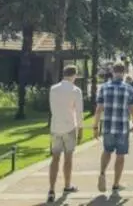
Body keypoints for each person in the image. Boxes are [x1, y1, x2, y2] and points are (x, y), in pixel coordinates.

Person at [93, 62, 133, 193]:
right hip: (122, 127)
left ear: (113, 72)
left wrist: (95, 127)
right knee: (120, 155)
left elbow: (98, 110)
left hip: (107, 126)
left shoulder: (104, 87)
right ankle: (116, 183)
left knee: (107, 151)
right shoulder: (128, 88)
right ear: (123, 72)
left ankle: (102, 173)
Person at [48, 65, 84, 203]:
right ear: (74, 75)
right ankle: (67, 185)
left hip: (55, 126)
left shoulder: (53, 89)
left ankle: (51, 189)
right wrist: (80, 129)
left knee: (55, 158)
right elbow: (79, 112)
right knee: (68, 158)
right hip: (69, 127)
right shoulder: (76, 90)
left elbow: (52, 108)